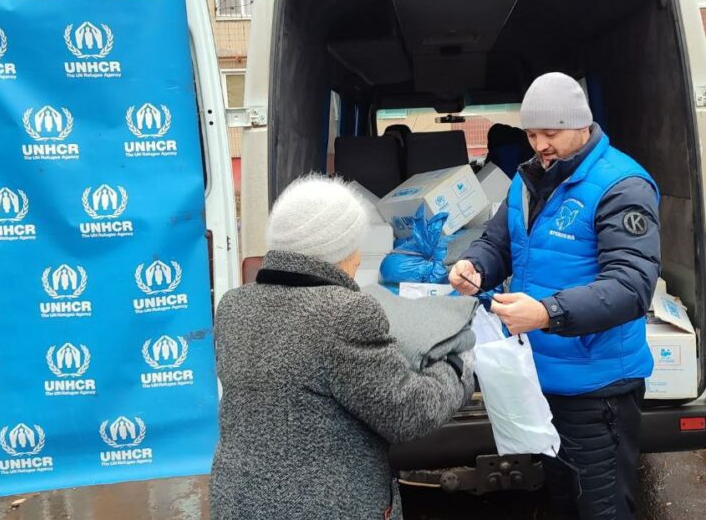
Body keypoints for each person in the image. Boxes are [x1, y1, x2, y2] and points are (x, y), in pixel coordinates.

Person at [450, 72, 660, 520]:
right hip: (541, 379)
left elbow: (630, 287)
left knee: (601, 508)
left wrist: (547, 313)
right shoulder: (526, 181)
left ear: (583, 126)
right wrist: (475, 265)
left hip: (597, 386)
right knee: (563, 499)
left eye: (551, 133)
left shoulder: (621, 185)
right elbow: (498, 244)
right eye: (531, 134)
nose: (540, 145)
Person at [210, 176, 474, 520]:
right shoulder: (345, 313)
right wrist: (456, 367)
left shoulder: (234, 305)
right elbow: (409, 413)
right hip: (323, 507)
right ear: (342, 249)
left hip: (239, 500)